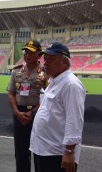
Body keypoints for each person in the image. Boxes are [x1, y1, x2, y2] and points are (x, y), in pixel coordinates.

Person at [30, 42, 86, 172]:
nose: (46, 63)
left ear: (65, 63)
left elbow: (74, 120)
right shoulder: (54, 82)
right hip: (44, 150)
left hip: (57, 154)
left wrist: (69, 151)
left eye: (52, 60)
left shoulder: (71, 85)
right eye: (46, 59)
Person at [7, 39, 46, 172]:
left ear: (39, 55)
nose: (27, 55)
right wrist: (16, 112)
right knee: (20, 151)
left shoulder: (45, 73)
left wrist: (33, 112)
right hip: (19, 113)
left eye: (31, 53)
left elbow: (48, 96)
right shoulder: (16, 71)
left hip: (38, 113)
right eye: (26, 52)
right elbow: (11, 93)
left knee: (39, 151)